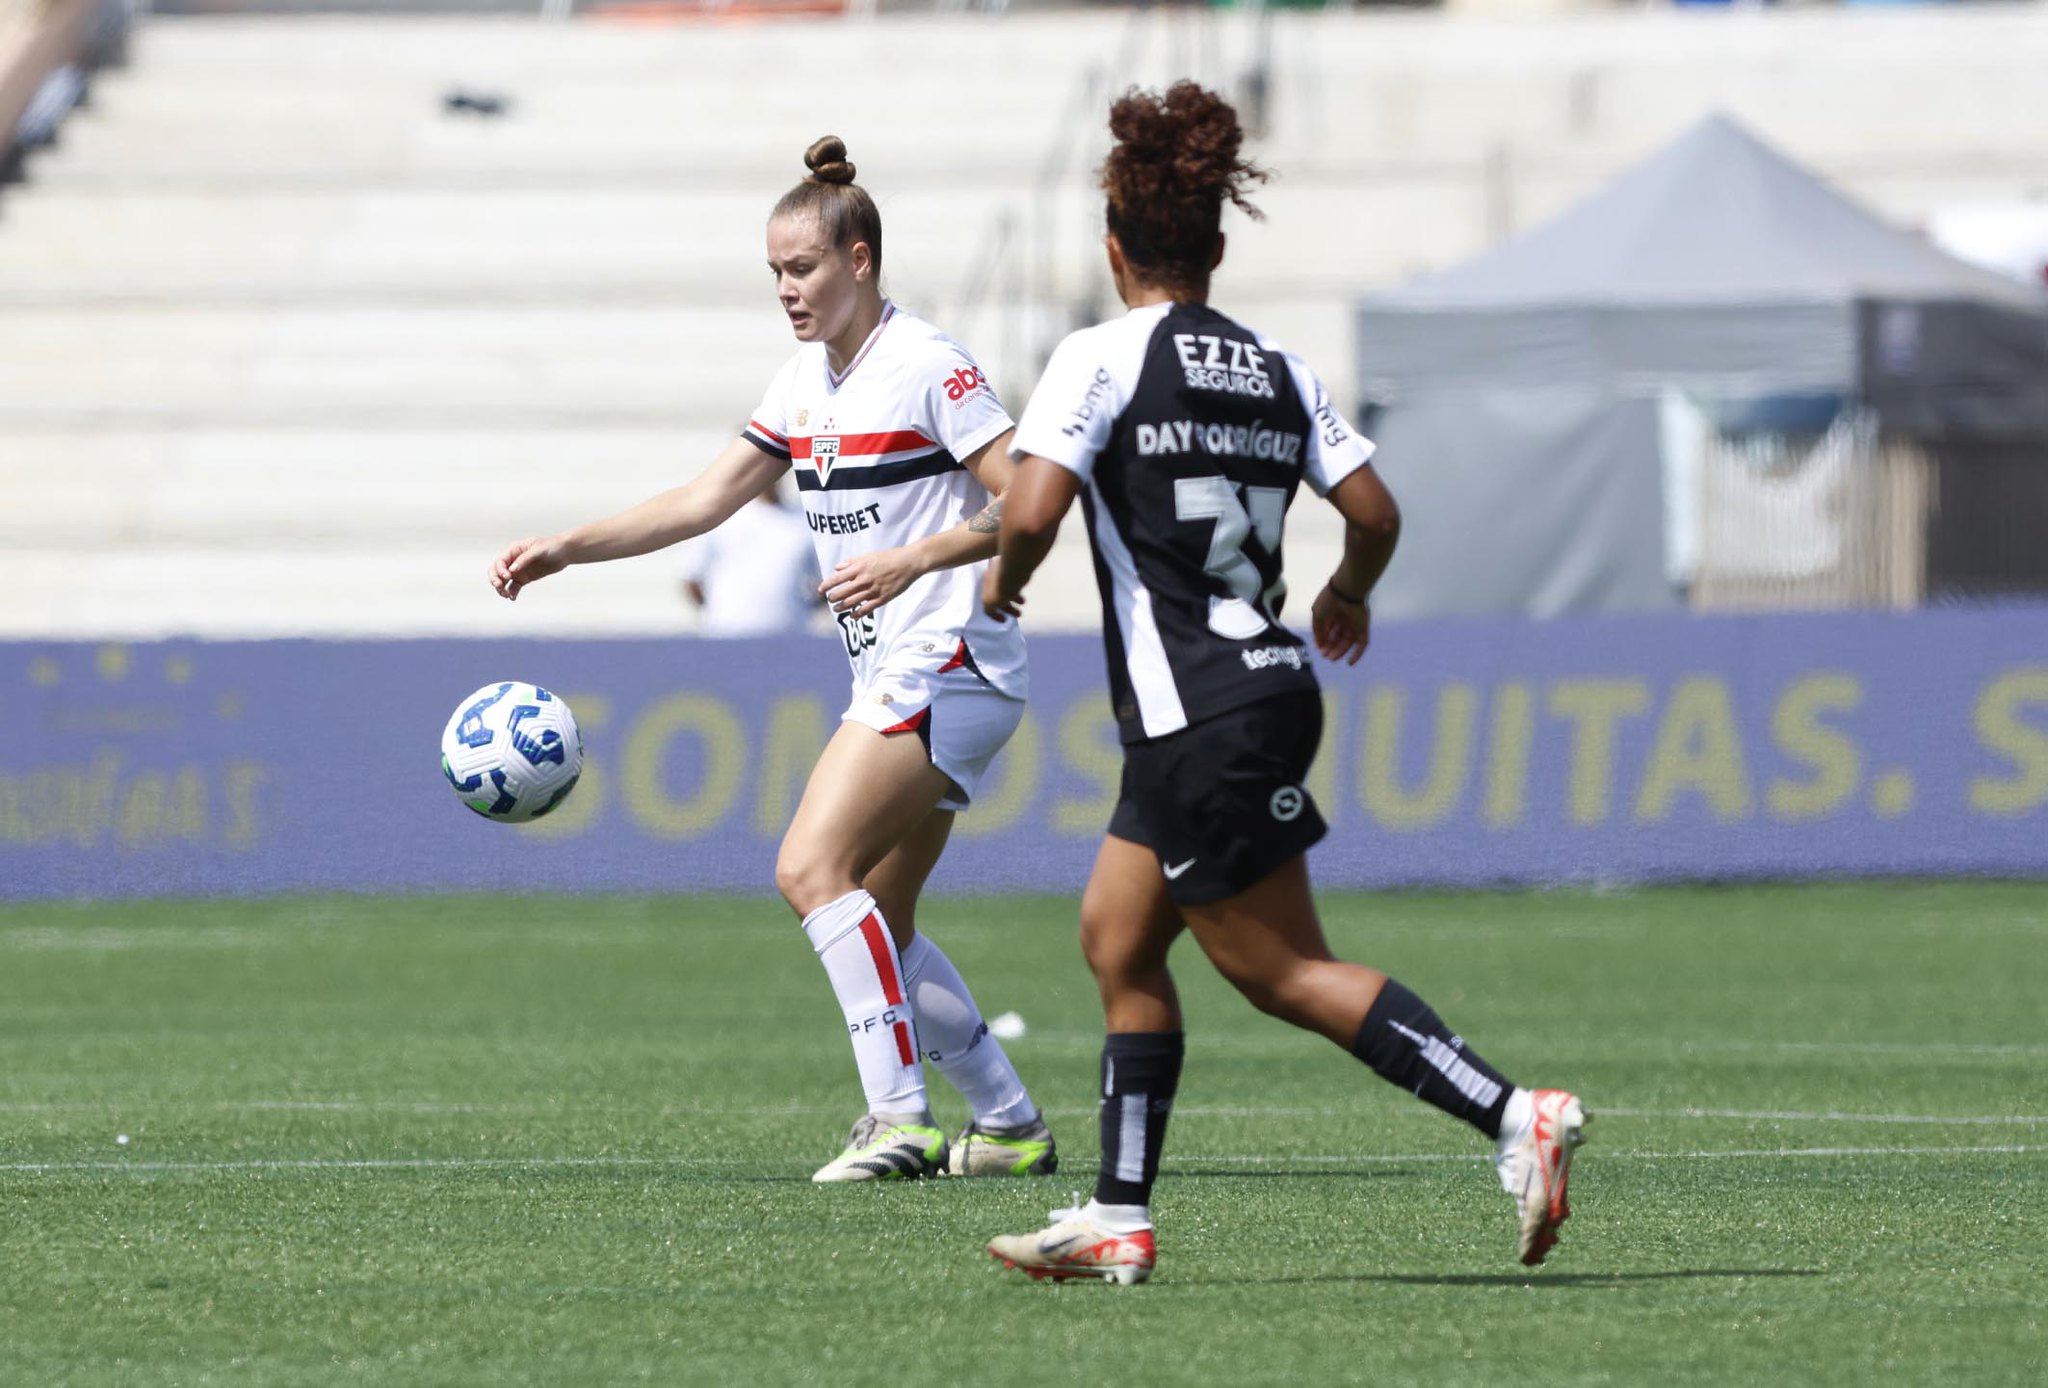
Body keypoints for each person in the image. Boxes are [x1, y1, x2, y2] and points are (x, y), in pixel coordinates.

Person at [979, 83, 1586, 1284]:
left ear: (1113, 247)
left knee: (1277, 970)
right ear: (1212, 248)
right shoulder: (1274, 366)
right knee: (1116, 937)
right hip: (1258, 683)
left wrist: (1004, 576)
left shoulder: (1096, 357)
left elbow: (1035, 506)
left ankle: (1514, 1114)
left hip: (1193, 706)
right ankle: (1115, 1213)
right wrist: (1346, 590)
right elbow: (1373, 508)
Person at [490, 137, 1057, 1183]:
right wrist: (568, 544)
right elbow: (702, 500)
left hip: (949, 657)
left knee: (805, 866)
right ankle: (1011, 1122)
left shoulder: (926, 362)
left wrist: (912, 557)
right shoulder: (803, 381)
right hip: (913, 670)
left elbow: (1030, 495)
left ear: (858, 260)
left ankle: (897, 1119)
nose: (786, 290)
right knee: (878, 917)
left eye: (801, 267)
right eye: (774, 273)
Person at [676, 482, 820, 636]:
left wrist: (802, 607)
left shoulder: (804, 519)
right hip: (727, 633)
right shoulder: (722, 516)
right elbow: (692, 578)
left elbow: (826, 580)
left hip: (791, 634)